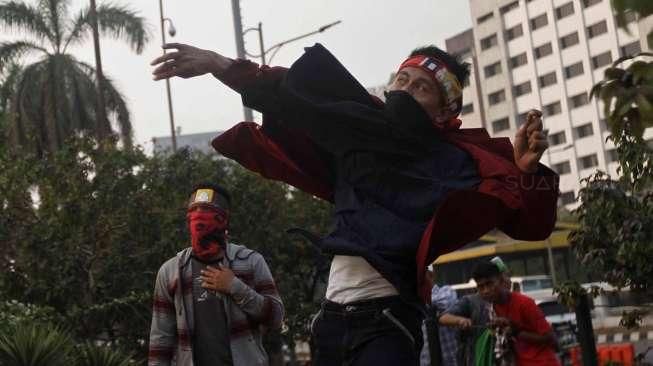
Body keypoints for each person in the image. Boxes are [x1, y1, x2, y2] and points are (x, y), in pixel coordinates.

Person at [151, 41, 559, 365]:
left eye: (423, 87)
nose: (407, 90)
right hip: (331, 318)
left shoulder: (459, 162)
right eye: (403, 79)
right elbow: (286, 93)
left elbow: (531, 225)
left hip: (388, 320)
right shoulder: (355, 127)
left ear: (445, 110)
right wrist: (218, 64)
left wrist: (526, 173)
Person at [148, 183, 284, 366]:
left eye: (207, 211)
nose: (199, 218)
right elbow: (160, 340)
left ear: (224, 220)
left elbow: (276, 318)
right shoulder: (171, 272)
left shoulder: (251, 262)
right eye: (194, 211)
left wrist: (236, 287)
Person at [442, 262, 560, 366]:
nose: (486, 291)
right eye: (481, 287)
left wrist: (515, 332)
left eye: (489, 284)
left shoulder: (524, 303)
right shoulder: (492, 307)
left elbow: (550, 338)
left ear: (501, 281)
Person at [421, 266, 459, 366]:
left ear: (431, 275)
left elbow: (445, 302)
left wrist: (417, 301)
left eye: (421, 275)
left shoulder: (446, 291)